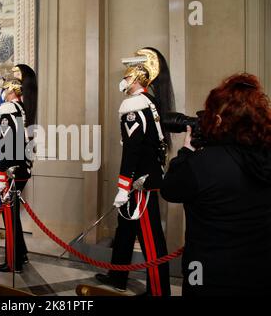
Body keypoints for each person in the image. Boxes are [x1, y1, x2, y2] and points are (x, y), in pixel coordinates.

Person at [161, 73, 271, 296]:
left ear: (219, 120)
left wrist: (185, 152)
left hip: (206, 275)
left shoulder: (202, 164)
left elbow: (170, 189)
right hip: (260, 273)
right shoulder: (265, 158)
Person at [95, 48, 173, 296]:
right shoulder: (148, 101)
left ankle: (158, 290)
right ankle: (118, 276)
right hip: (145, 176)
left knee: (150, 238)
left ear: (138, 77)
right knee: (125, 228)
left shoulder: (134, 104)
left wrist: (123, 186)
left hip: (140, 182)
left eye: (127, 77)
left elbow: (132, 150)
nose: (124, 80)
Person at [0, 77, 36, 273]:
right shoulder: (19, 108)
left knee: (10, 215)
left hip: (12, 170)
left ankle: (14, 262)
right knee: (13, 214)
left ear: (11, 89)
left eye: (4, 88)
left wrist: (1, 176)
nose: (3, 91)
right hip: (21, 168)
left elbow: (7, 144)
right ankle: (22, 254)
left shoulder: (8, 109)